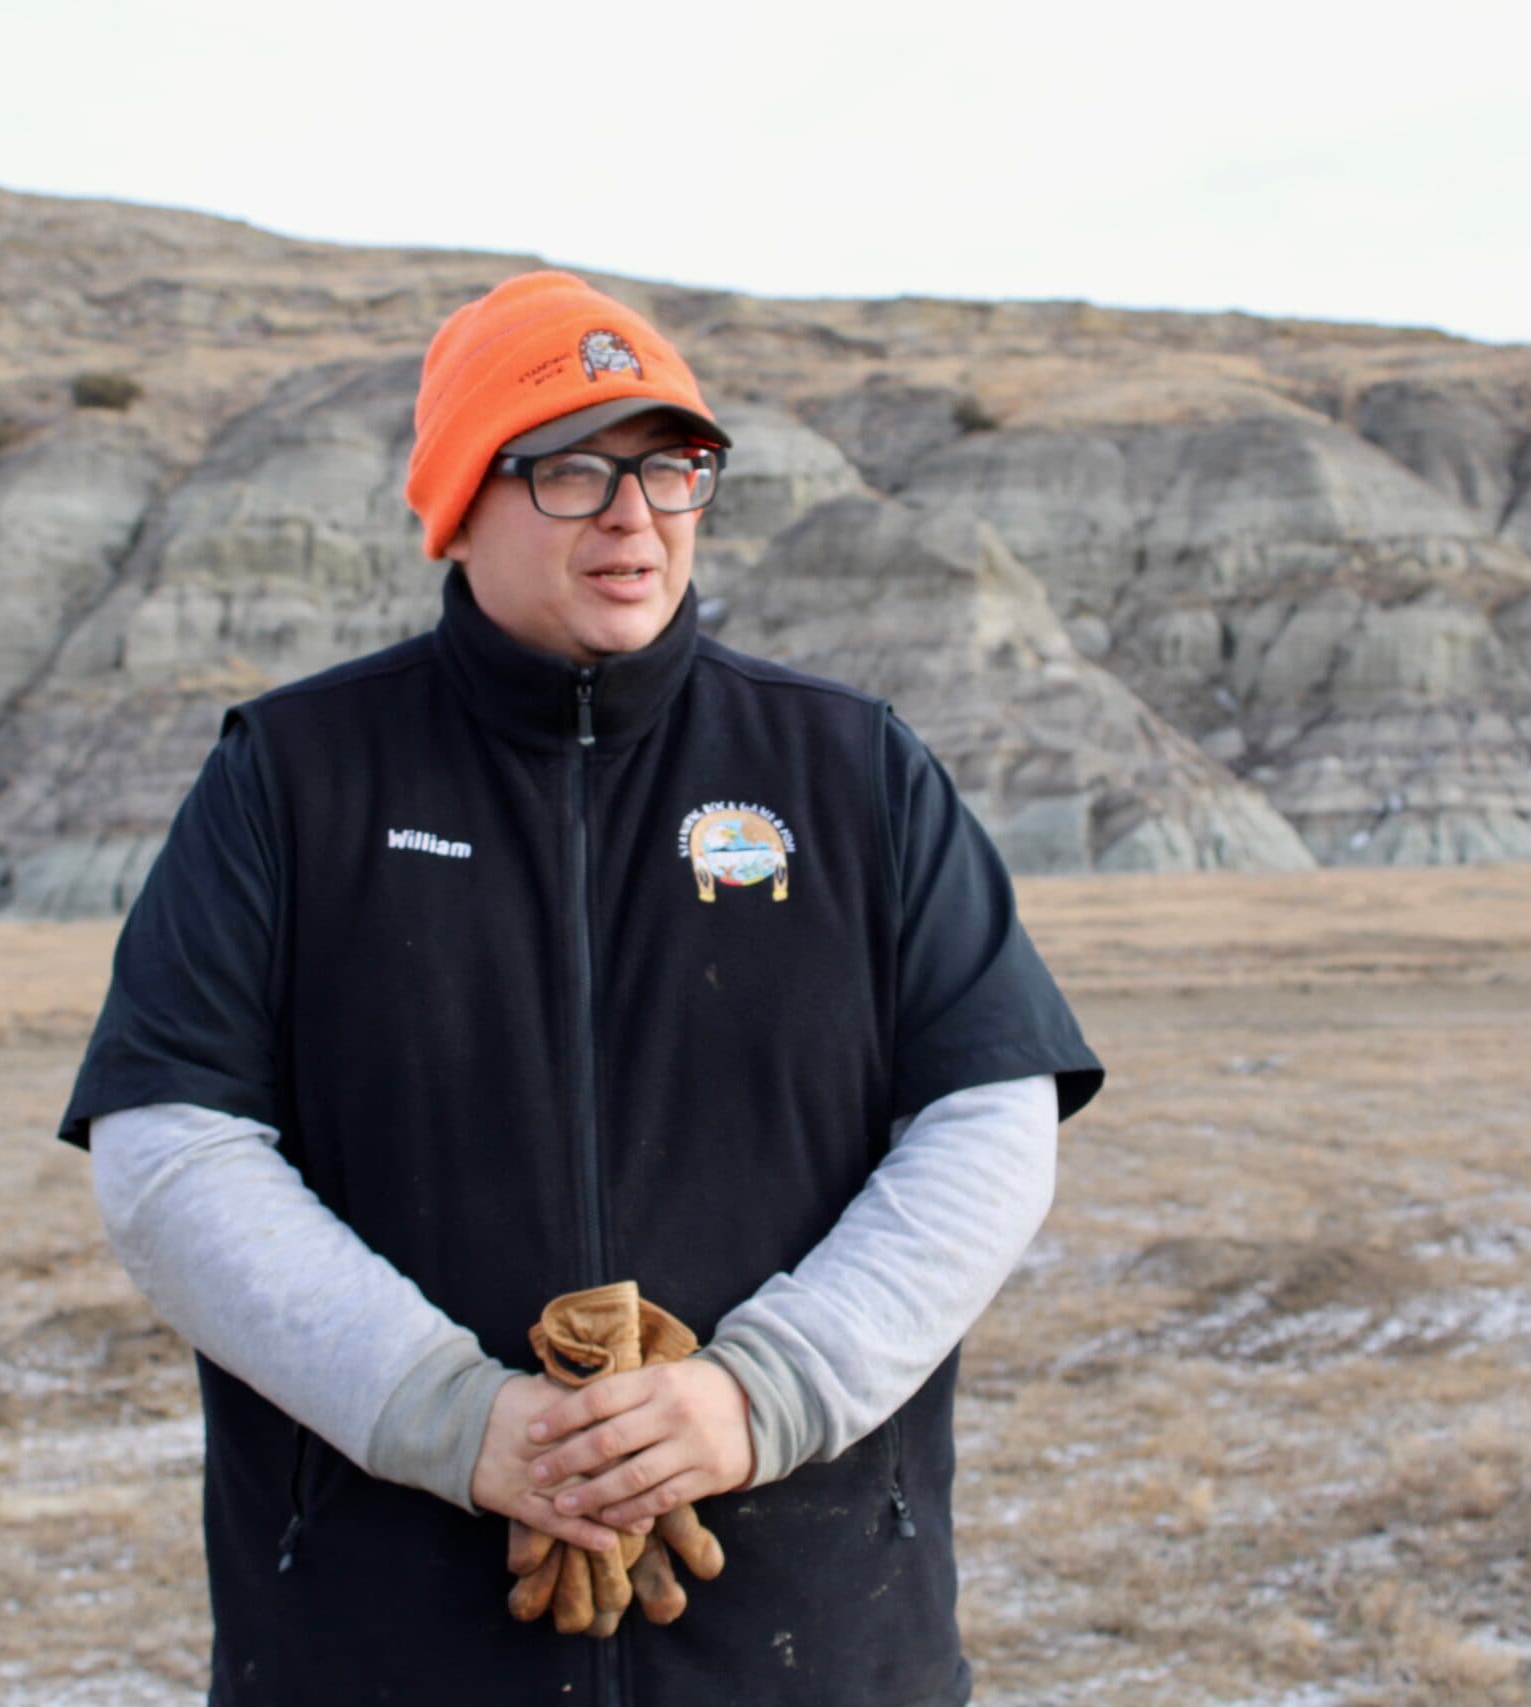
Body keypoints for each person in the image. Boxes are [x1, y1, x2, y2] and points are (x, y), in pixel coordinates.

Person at [58, 270, 1104, 1705]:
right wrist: (457, 1418)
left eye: (673, 468)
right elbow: (170, 1155)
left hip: (810, 1644)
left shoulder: (854, 773)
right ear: (458, 500)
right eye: (570, 470)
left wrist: (759, 1398)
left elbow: (991, 1122)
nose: (635, 515)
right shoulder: (292, 781)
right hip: (386, 1647)